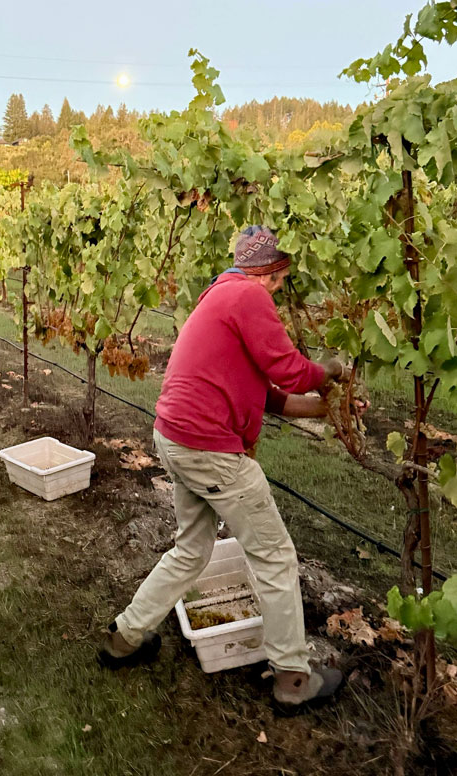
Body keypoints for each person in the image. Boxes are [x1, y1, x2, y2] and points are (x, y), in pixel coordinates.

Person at [99, 225, 347, 709]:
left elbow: (273, 396)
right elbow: (292, 372)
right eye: (278, 278)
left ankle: (125, 638)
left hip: (174, 436)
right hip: (210, 448)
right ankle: (293, 679)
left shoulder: (220, 295)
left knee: (192, 549)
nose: (279, 289)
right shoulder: (248, 297)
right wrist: (330, 372)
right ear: (270, 271)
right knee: (275, 557)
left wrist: (327, 409)